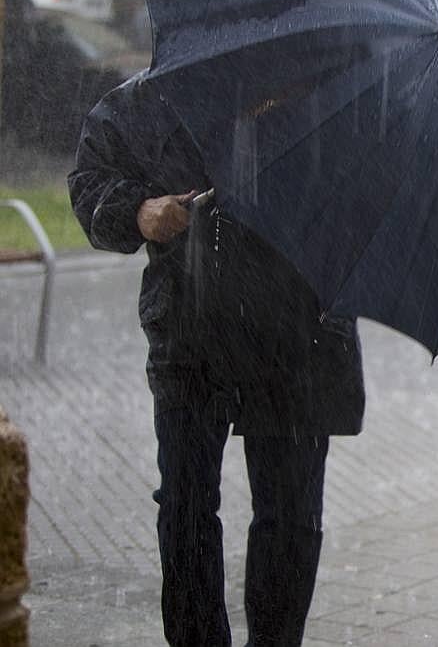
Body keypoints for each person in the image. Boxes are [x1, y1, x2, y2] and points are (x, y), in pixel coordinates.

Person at [68, 72, 365, 647]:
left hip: (298, 331)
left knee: (291, 514)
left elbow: (370, 205)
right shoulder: (152, 98)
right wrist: (138, 209)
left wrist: (289, 129)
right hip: (191, 324)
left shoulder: (333, 91)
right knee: (185, 508)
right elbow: (89, 181)